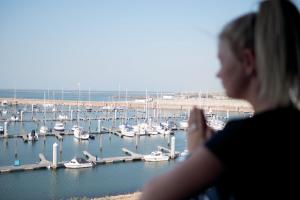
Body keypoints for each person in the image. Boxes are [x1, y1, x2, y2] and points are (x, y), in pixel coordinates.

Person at [140, 0, 300, 199]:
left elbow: (152, 195)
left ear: (248, 62)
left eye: (222, 61)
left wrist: (196, 150)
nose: (218, 74)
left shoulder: (242, 137)